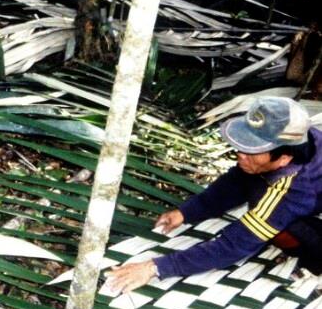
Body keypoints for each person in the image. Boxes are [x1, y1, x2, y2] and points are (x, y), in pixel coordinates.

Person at [106, 96, 321, 294]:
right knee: (254, 180)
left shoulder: (294, 189)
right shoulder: (297, 138)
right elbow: (235, 182)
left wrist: (155, 268)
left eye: (252, 151)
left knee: (285, 227)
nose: (240, 155)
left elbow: (232, 246)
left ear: (284, 159)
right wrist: (186, 212)